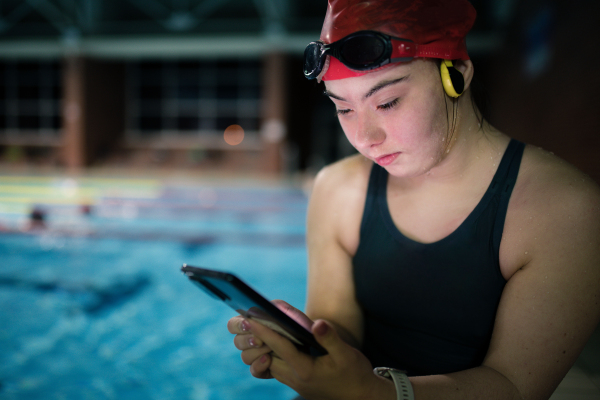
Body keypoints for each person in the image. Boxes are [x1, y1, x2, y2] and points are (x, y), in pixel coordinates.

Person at [227, 1, 600, 399]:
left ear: (457, 75)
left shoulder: (563, 209)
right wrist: (310, 344)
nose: (365, 137)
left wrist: (372, 392)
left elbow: (515, 386)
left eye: (387, 102)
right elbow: (341, 332)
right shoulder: (337, 189)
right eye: (344, 108)